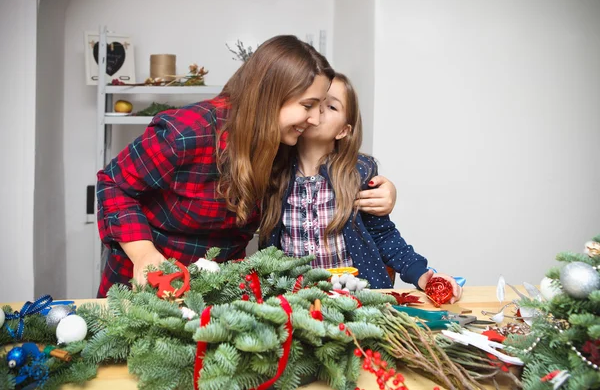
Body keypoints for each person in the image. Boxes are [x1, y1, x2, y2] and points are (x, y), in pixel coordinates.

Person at [96, 36, 396, 297]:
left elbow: (332, 167)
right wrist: (144, 254)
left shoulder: (282, 145)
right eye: (307, 106)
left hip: (219, 293)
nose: (315, 119)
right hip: (147, 287)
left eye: (320, 108)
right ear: (271, 97)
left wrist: (384, 191)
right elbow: (113, 184)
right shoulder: (187, 132)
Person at [260, 73, 462, 302]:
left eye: (332, 106)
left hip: (352, 302)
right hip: (293, 302)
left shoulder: (357, 174)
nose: (319, 111)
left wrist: (422, 275)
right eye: (313, 103)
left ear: (343, 131)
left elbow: (384, 235)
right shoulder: (274, 172)